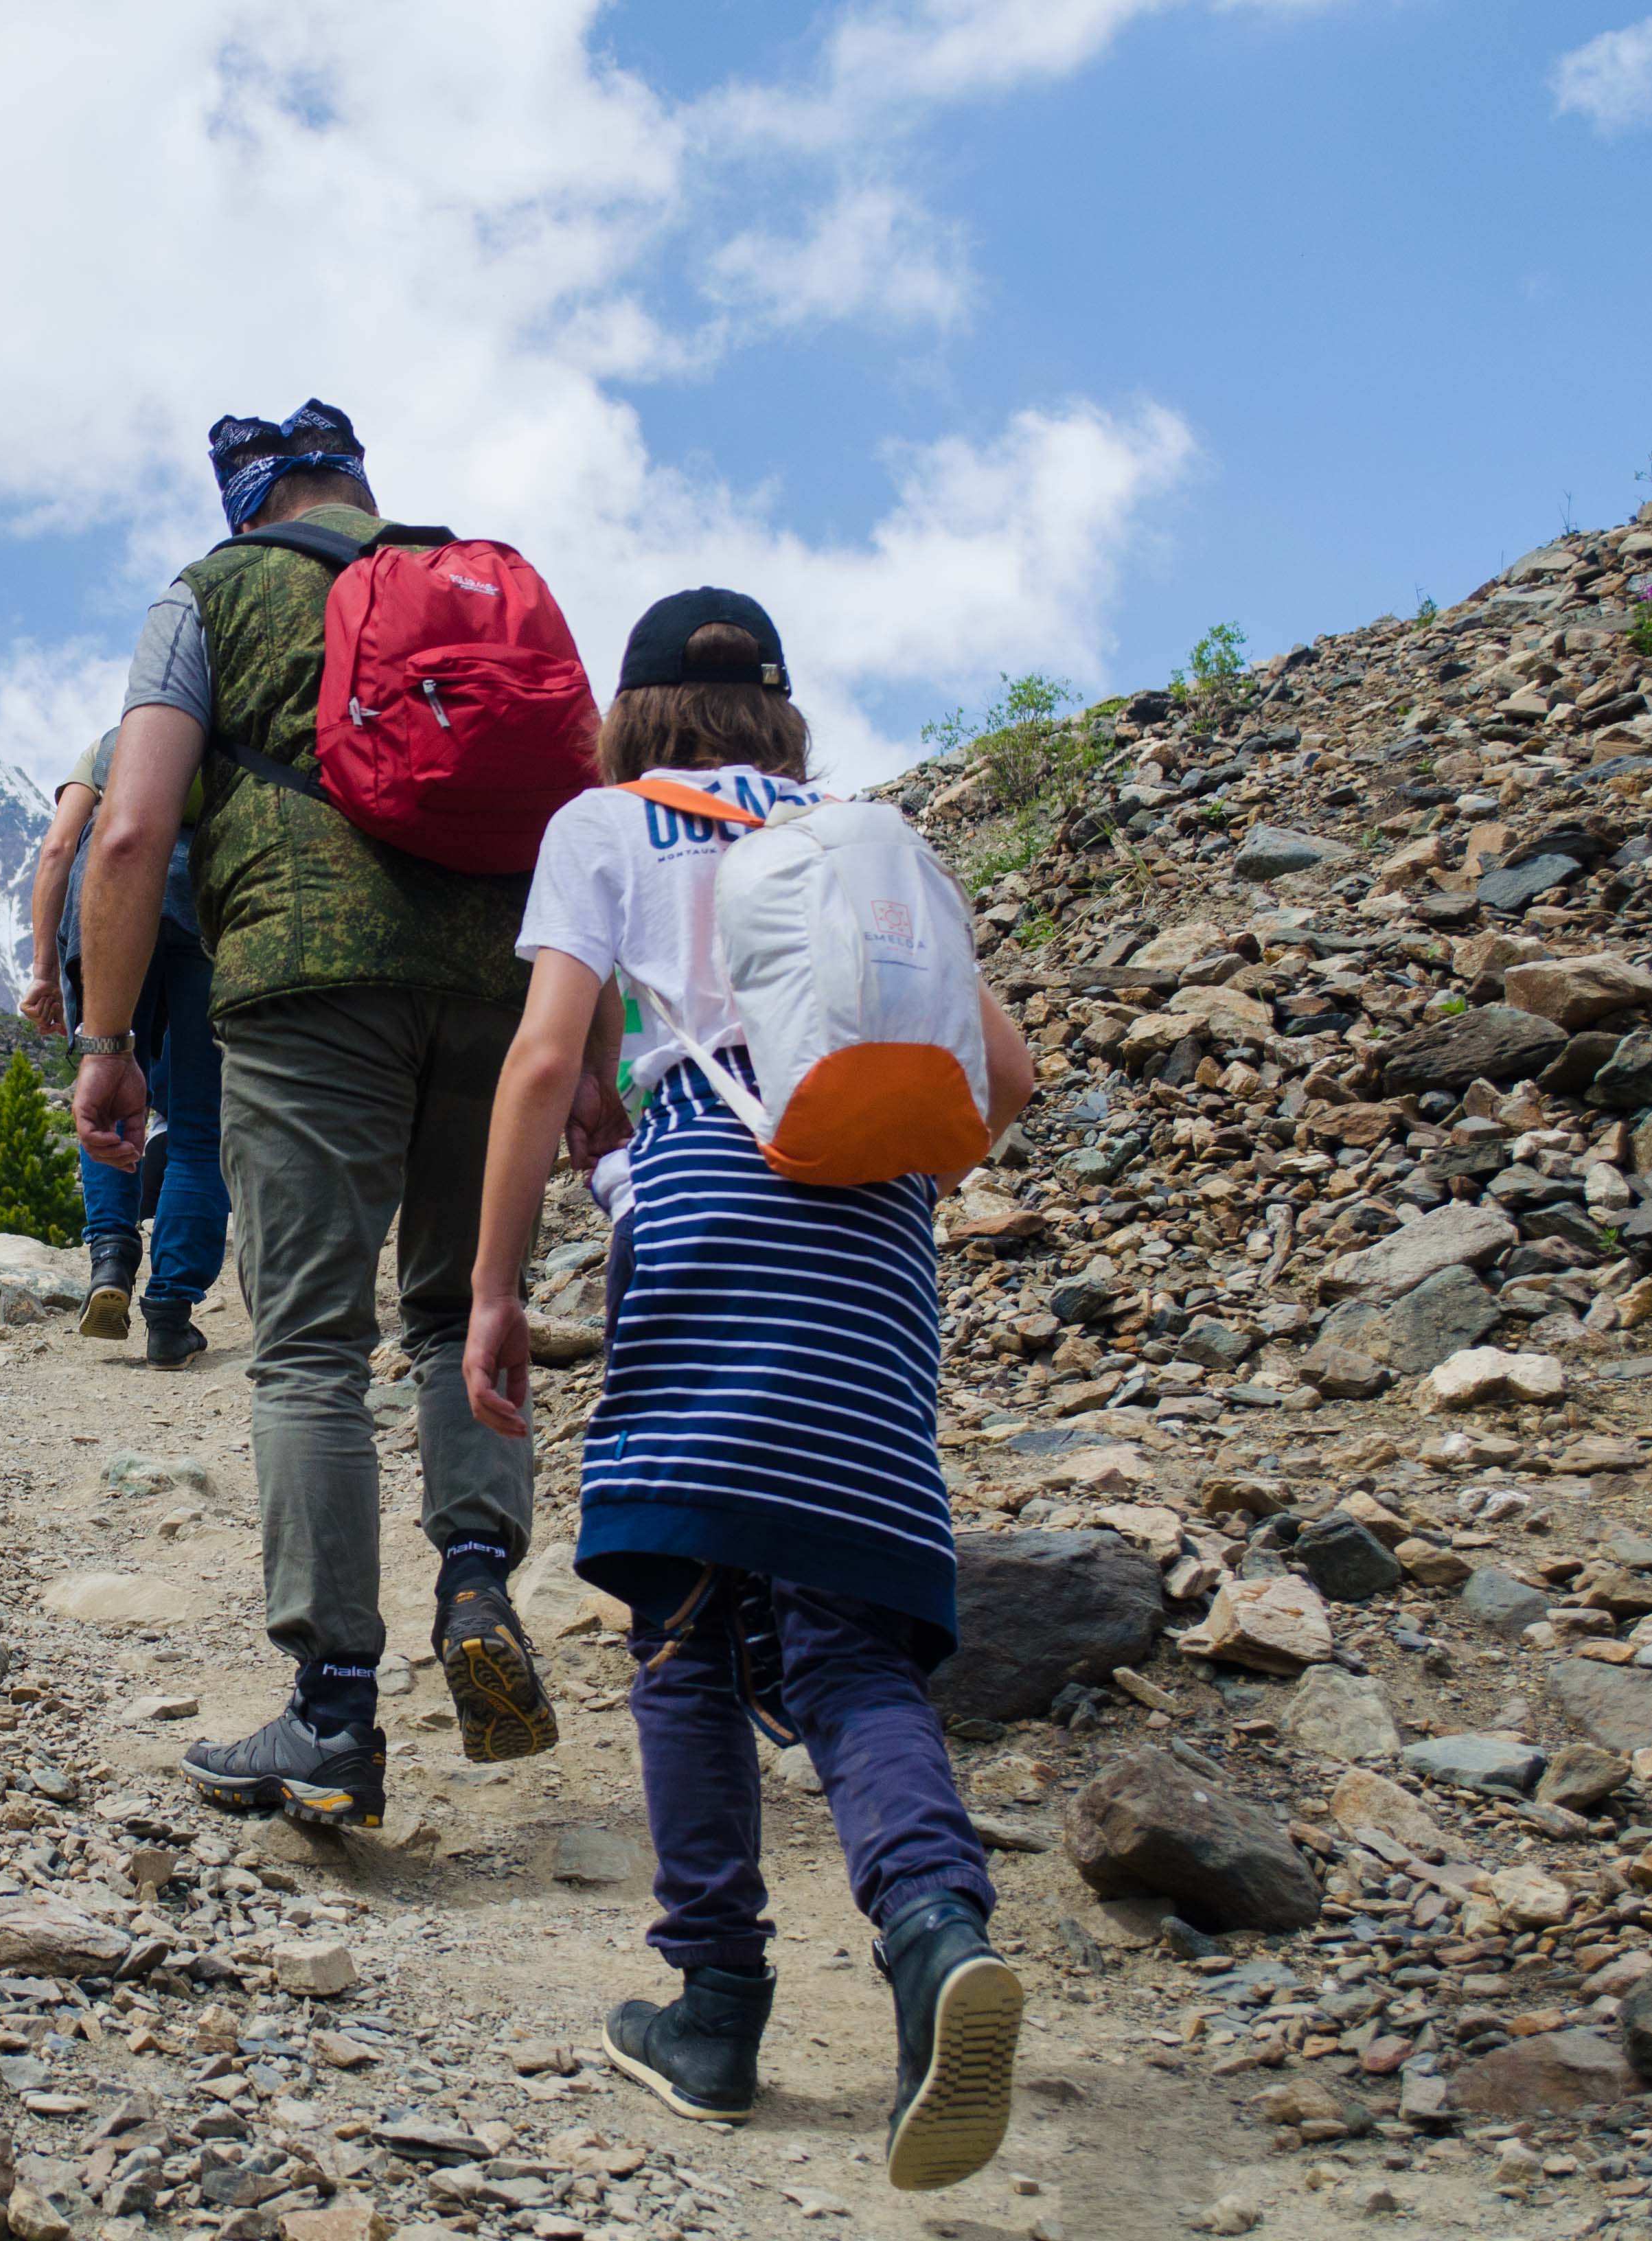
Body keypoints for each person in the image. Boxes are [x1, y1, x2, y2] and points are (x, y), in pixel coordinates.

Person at [459, 589, 1038, 2193]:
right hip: (870, 1242)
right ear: (779, 712)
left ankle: (716, 2008)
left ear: (634, 712)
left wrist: (495, 1288)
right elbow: (1014, 1075)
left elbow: (536, 1057)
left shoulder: (604, 826)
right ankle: (935, 1937)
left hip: (709, 1216)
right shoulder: (872, 834)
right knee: (846, 1640)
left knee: (690, 1627)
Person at [73, 400, 626, 1829]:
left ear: (243, 497)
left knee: (311, 1343)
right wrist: (595, 1059)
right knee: (460, 1306)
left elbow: (129, 829)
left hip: (303, 984)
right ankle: (477, 1580)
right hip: (504, 988)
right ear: (358, 482)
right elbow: (583, 818)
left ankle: (330, 1714)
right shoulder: (481, 580)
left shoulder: (211, 593)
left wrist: (110, 1041)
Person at [22, 728, 229, 1365]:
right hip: (205, 912)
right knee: (198, 1126)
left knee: (106, 1099)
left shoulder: (114, 744)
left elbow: (59, 847)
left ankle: (110, 1263)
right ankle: (170, 1313)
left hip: (109, 908)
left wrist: (43, 971)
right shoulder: (228, 744)